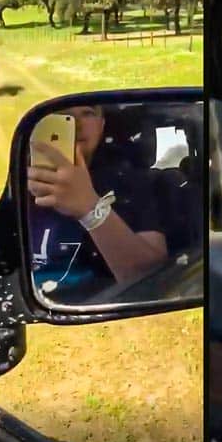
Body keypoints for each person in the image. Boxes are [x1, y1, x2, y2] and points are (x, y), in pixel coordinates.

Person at [25, 105, 168, 301]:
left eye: (88, 113)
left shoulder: (129, 184)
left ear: (102, 125)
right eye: (63, 116)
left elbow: (153, 282)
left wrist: (89, 208)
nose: (77, 124)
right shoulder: (23, 180)